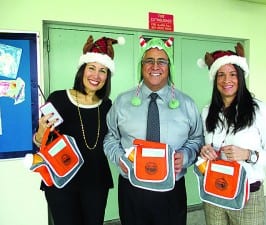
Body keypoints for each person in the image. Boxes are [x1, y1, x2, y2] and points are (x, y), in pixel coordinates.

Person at [103, 36, 204, 225]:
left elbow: (197, 139)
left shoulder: (187, 104)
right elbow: (110, 137)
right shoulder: (122, 102)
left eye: (161, 61)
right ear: (141, 66)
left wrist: (186, 156)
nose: (155, 66)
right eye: (149, 61)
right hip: (132, 188)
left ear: (169, 66)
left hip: (171, 190)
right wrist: (119, 158)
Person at [32, 35, 124, 225]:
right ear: (82, 70)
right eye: (91, 68)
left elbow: (115, 138)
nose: (96, 76)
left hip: (96, 181)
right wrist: (41, 131)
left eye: (103, 71)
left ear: (108, 76)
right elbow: (39, 143)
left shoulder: (107, 105)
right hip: (61, 180)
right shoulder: (58, 99)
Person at [197, 43, 266, 225]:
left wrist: (248, 155)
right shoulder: (207, 112)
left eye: (233, 74)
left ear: (241, 77)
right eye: (220, 74)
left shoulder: (260, 110)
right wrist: (204, 152)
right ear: (214, 79)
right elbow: (204, 148)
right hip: (214, 190)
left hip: (248, 194)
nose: (226, 80)